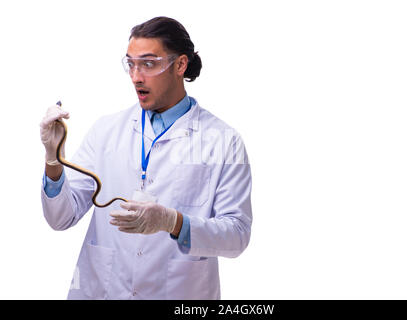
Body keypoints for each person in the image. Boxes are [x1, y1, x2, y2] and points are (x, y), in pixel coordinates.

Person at [39, 16, 252, 300]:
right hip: (104, 290)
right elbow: (60, 217)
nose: (136, 76)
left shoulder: (224, 141)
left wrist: (172, 221)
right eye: (131, 64)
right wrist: (53, 160)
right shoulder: (106, 131)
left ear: (180, 65)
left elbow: (236, 236)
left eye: (149, 64)